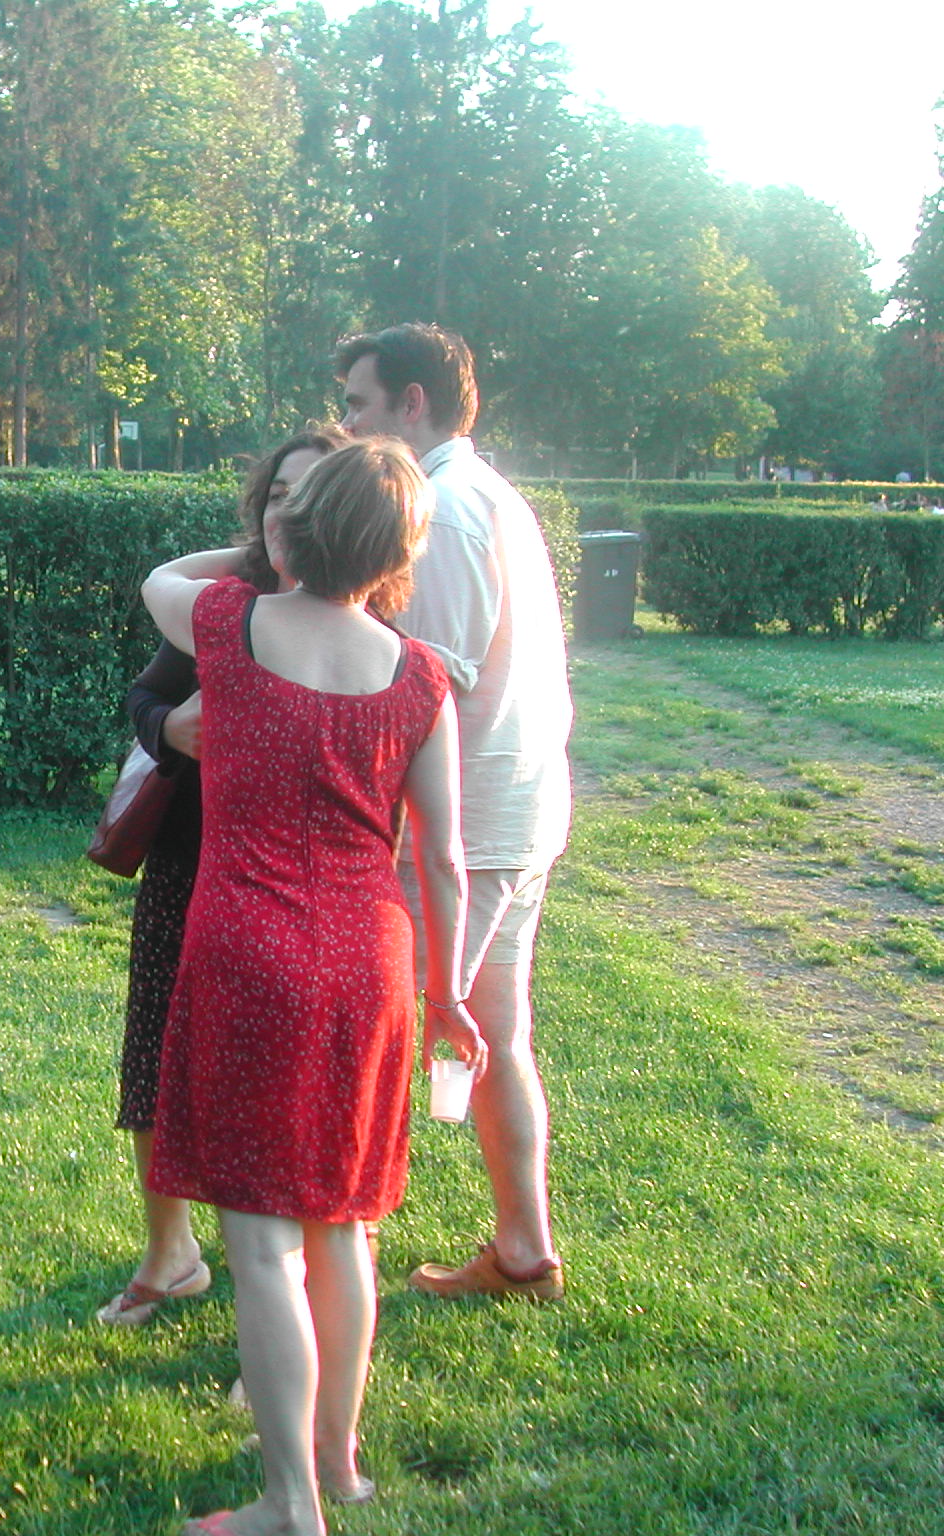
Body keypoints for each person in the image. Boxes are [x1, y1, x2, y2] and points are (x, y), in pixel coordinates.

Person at [143, 439, 483, 1536]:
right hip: (371, 965)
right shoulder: (421, 677)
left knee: (261, 1249)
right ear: (400, 554)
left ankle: (288, 1504)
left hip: (248, 953)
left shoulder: (229, 625)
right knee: (342, 1225)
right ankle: (337, 1463)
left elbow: (158, 578)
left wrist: (263, 549)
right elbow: (442, 861)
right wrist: (449, 992)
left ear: (297, 525)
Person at [336, 323, 572, 1300]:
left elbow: (433, 676)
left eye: (359, 404)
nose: (349, 425)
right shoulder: (489, 493)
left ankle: (328, 1265)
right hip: (509, 817)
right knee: (495, 1037)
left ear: (412, 403)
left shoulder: (448, 505)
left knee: (378, 1043)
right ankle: (523, 1254)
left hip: (465, 830)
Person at [101, 426, 347, 1328]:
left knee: (284, 1086)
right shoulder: (223, 606)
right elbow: (146, 695)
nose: (289, 512)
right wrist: (172, 729)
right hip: (189, 860)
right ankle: (171, 1256)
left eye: (310, 496)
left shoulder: (365, 623)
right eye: (277, 495)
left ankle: (290, 1308)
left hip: (292, 881)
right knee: (156, 1051)